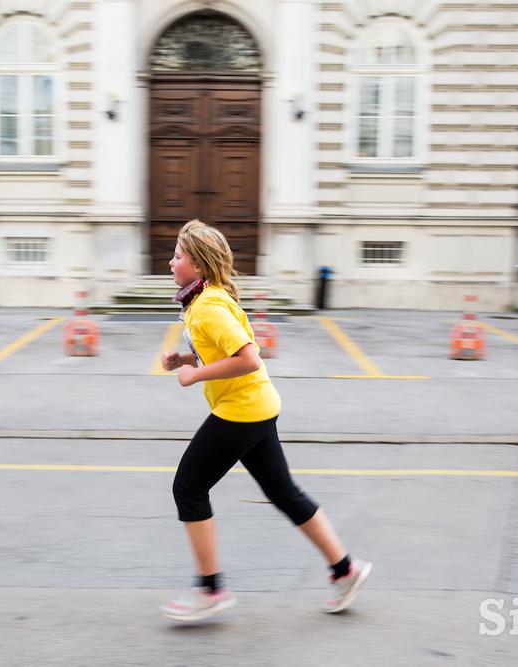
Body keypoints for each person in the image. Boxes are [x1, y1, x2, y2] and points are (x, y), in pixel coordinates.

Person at [159, 219, 372, 622]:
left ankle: (210, 588)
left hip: (240, 411)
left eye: (178, 256)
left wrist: (193, 375)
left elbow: (248, 358)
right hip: (259, 406)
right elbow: (225, 350)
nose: (171, 263)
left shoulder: (208, 306)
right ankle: (346, 569)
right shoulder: (210, 297)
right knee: (283, 492)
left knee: (187, 488)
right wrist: (186, 358)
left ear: (199, 266)